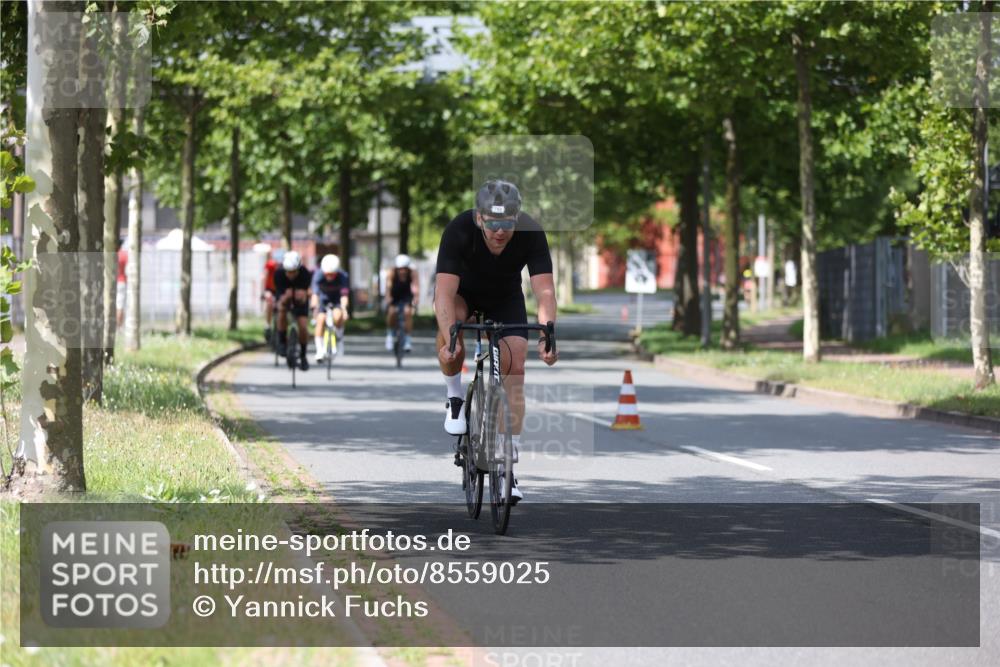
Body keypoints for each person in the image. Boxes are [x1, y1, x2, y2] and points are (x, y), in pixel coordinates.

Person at [434, 180, 559, 504]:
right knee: (452, 341)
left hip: (505, 298)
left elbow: (544, 290)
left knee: (516, 367)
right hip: (464, 295)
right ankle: (455, 398)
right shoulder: (459, 229)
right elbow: (444, 294)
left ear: (517, 219)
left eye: (507, 224)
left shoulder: (531, 232)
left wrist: (547, 333)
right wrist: (450, 333)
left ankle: (508, 465)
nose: (500, 232)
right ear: (479, 218)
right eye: (493, 224)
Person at [273, 250, 312, 371]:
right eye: (288, 272)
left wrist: (302, 295)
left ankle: (303, 355)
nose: (290, 275)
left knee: (303, 326)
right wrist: (286, 297)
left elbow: (306, 293)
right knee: (281, 311)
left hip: (300, 301)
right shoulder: (279, 274)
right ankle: (282, 342)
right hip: (285, 298)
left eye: (293, 272)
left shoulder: (305, 274)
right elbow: (280, 296)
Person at [310, 254, 350, 363]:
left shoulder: (343, 276)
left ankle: (340, 337)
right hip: (323, 300)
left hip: (336, 300)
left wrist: (344, 309)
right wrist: (314, 309)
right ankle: (319, 350)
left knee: (338, 316)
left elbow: (344, 296)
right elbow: (315, 295)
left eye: (332, 275)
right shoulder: (318, 275)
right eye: (327, 274)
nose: (329, 277)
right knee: (320, 320)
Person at [384, 254, 419, 352]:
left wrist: (416, 298)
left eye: (404, 269)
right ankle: (390, 335)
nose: (402, 271)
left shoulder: (412, 273)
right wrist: (388, 297)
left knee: (407, 312)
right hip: (395, 295)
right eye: (400, 269)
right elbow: (388, 287)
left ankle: (407, 339)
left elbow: (415, 286)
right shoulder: (391, 272)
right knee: (391, 312)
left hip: (407, 295)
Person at [261, 248, 284, 343]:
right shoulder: (270, 265)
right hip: (270, 289)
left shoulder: (285, 267)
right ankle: (268, 325)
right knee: (269, 302)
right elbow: (264, 277)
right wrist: (263, 292)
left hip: (280, 289)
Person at [116, 240, 127, 328]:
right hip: (122, 281)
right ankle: (119, 326)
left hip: (112, 282)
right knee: (120, 305)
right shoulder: (124, 255)